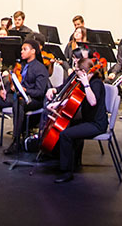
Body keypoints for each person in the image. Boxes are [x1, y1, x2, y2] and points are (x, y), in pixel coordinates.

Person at [45, 48, 107, 183]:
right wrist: (57, 105)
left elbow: (92, 102)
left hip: (96, 124)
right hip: (87, 120)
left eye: (78, 73)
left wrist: (86, 84)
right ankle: (69, 161)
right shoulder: (84, 83)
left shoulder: (95, 83)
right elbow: (74, 98)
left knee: (66, 135)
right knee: (65, 127)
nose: (76, 75)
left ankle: (66, 172)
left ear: (84, 73)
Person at [0, 38, 49, 152]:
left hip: (32, 100)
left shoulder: (40, 68)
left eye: (25, 49)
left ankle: (16, 141)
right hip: (17, 96)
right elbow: (14, 83)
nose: (22, 52)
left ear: (33, 51)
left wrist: (25, 90)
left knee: (18, 103)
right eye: (21, 49)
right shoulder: (21, 65)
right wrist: (5, 90)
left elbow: (40, 92)